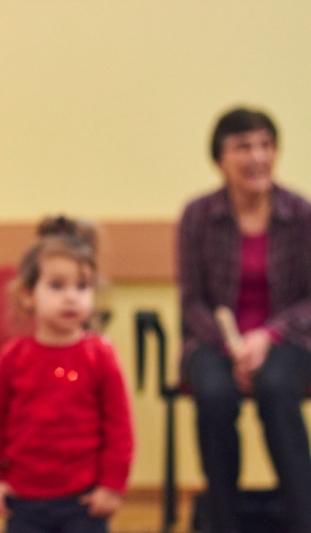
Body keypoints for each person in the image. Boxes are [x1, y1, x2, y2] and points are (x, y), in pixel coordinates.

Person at [178, 107, 311, 533]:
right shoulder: (197, 215)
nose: (257, 156)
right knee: (214, 393)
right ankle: (223, 520)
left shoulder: (301, 213)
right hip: (214, 342)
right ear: (220, 158)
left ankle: (302, 516)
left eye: (265, 145)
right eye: (243, 146)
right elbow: (192, 301)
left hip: (287, 339)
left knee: (276, 386)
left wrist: (268, 336)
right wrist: (230, 347)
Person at [0, 216, 134, 533]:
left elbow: (119, 425)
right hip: (24, 501)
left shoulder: (100, 354)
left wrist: (112, 485)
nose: (72, 296)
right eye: (57, 285)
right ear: (27, 294)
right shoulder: (14, 356)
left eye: (82, 285)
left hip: (85, 501)